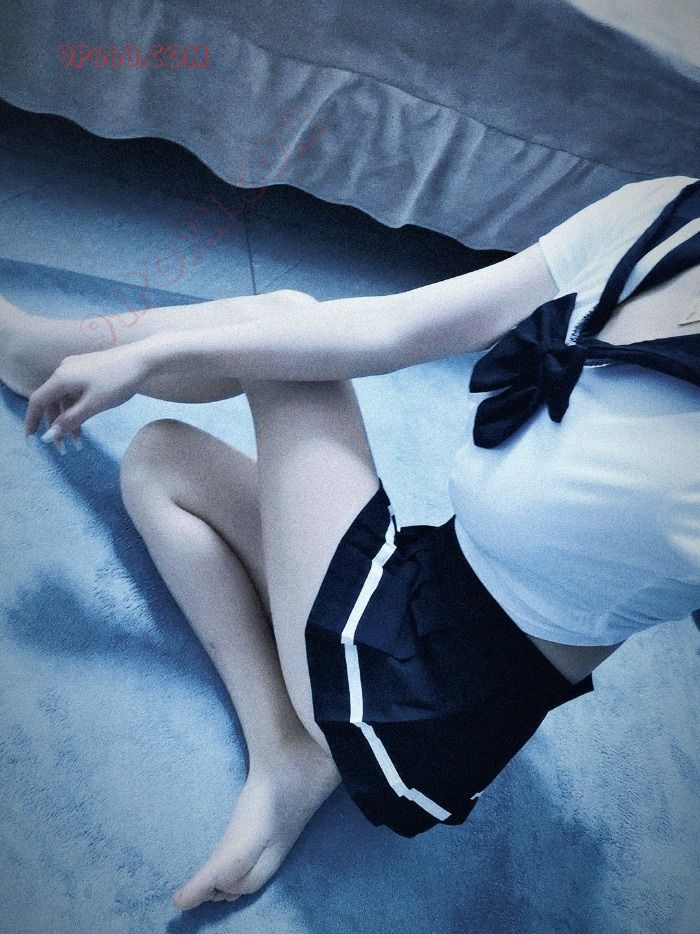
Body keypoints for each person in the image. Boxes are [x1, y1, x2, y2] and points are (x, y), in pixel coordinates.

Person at [1, 173, 698, 909]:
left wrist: (151, 358)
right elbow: (395, 328)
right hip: (425, 575)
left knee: (277, 323)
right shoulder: (667, 211)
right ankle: (287, 752)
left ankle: (30, 352)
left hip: (427, 709)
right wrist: (144, 359)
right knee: (158, 463)